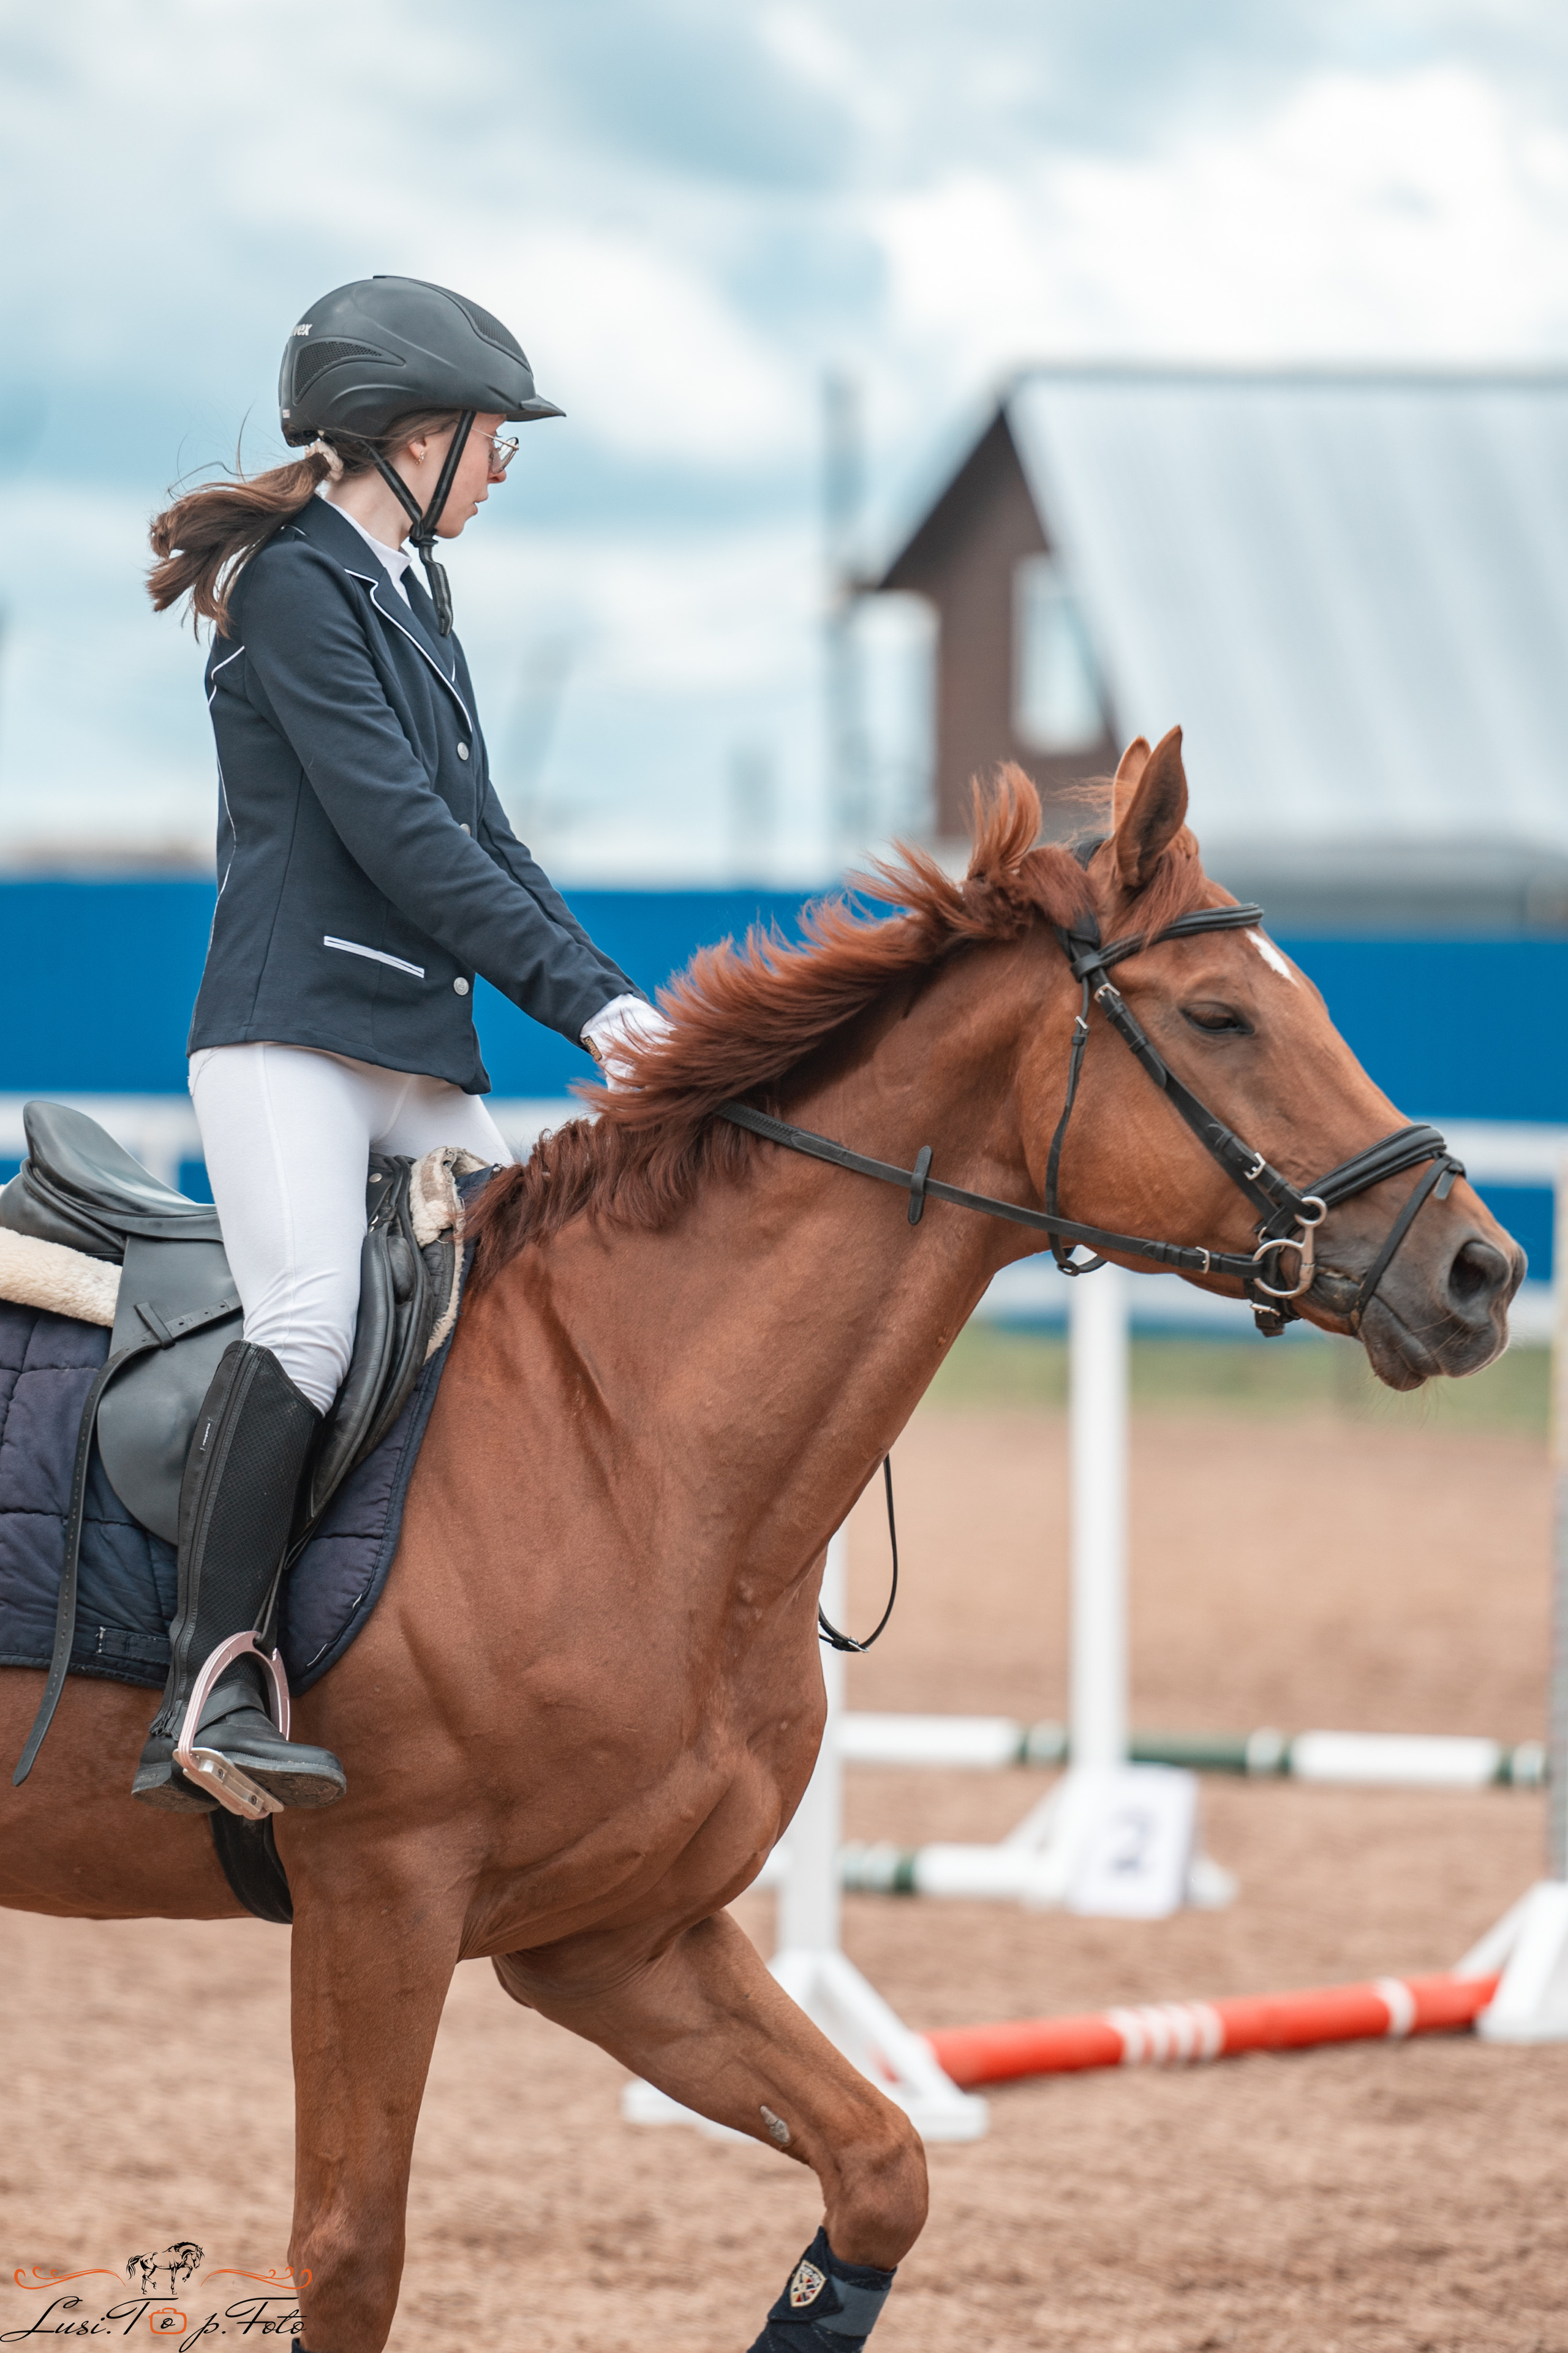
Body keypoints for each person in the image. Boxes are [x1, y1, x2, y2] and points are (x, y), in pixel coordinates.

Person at [134, 274, 663, 1817]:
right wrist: (580, 1007)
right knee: (307, 1323)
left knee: (533, 1311)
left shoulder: (414, 601)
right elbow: (402, 836)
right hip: (290, 1038)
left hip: (416, 1051)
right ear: (415, 437)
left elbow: (488, 838)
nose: (501, 466)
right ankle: (209, 1686)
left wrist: (620, 999)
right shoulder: (294, 584)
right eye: (495, 439)